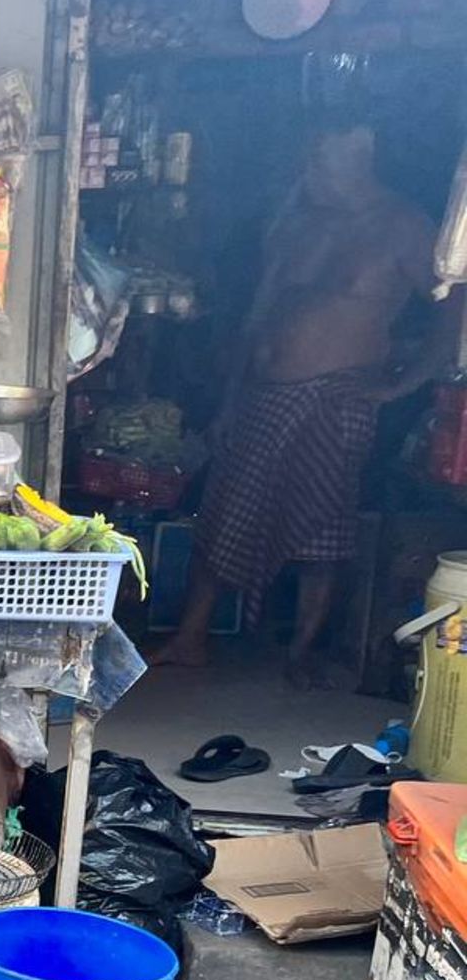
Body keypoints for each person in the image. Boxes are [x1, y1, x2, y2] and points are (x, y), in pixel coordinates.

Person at [154, 125, 463, 683]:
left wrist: (404, 384)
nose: (309, 173)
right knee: (223, 511)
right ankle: (190, 637)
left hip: (337, 395)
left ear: (360, 159)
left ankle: (301, 653)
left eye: (321, 162)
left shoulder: (403, 227)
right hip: (261, 393)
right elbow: (258, 314)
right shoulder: (296, 221)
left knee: (320, 527)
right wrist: (230, 400)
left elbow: (450, 309)